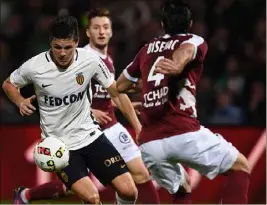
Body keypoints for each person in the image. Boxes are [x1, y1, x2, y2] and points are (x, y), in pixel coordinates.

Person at [12, 8, 160, 204]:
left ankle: (27, 194)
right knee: (82, 190)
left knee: (137, 178)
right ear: (87, 33)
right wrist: (90, 111)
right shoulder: (79, 57)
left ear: (111, 31)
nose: (101, 32)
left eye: (105, 27)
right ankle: (27, 195)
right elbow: (66, 95)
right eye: (96, 27)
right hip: (81, 129)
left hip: (108, 127)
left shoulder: (105, 59)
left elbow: (111, 94)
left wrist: (132, 113)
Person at [116, 0, 251, 204]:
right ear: (190, 24)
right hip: (183, 132)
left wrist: (148, 90)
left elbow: (120, 86)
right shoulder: (194, 40)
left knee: (182, 187)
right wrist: (178, 65)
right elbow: (186, 51)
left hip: (150, 144)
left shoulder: (147, 49)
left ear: (162, 25)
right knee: (240, 166)